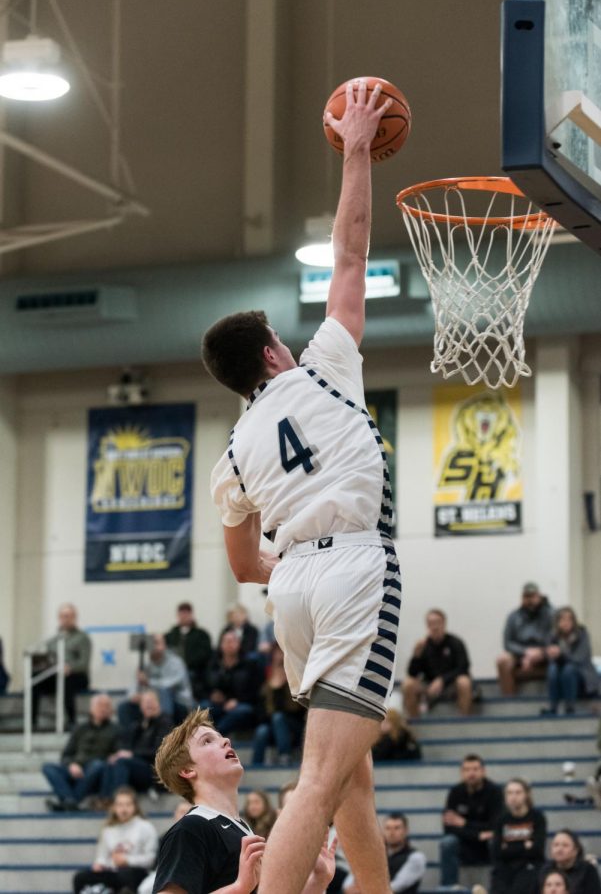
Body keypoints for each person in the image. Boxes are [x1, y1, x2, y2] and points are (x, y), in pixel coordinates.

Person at [204, 79, 400, 894]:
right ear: (277, 353)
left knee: (348, 773)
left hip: (293, 589)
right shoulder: (321, 368)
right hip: (355, 566)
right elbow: (350, 252)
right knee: (320, 780)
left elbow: (245, 566)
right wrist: (356, 147)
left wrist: (287, 558)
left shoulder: (234, 452)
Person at [152, 708, 336, 894]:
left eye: (221, 737)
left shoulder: (242, 829)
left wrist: (318, 881)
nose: (226, 741)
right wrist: (239, 887)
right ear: (187, 770)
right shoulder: (191, 828)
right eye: (207, 741)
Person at [72, 786, 158, 894]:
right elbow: (101, 857)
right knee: (80, 878)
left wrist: (127, 860)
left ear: (135, 806)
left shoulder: (146, 827)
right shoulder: (108, 830)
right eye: (120, 805)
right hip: (112, 873)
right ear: (114, 807)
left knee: (125, 875)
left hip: (136, 872)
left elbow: (150, 860)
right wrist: (99, 865)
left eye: (128, 804)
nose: (124, 809)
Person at [43, 692, 119, 812]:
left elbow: (116, 755)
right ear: (92, 708)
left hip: (95, 771)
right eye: (100, 705)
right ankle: (70, 801)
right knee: (47, 767)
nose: (103, 709)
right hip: (75, 769)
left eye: (107, 706)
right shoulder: (80, 728)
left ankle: (68, 802)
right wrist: (72, 764)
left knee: (97, 765)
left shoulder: (116, 730)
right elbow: (66, 755)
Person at [439, 753, 504, 887]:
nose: (471, 773)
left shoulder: (495, 792)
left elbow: (495, 825)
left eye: (475, 769)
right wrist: (477, 834)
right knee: (447, 842)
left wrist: (464, 823)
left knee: (495, 840)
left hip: (486, 845)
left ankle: (497, 886)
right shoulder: (455, 792)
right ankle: (448, 888)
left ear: (483, 771)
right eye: (467, 770)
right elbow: (448, 827)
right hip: (466, 843)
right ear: (461, 773)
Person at [98, 690, 172, 805]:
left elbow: (159, 751)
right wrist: (117, 755)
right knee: (112, 762)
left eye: (151, 701)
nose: (149, 705)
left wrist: (132, 754)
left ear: (159, 704)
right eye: (145, 703)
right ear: (141, 707)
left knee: (122, 762)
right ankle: (104, 800)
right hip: (137, 767)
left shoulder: (165, 722)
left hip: (154, 771)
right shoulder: (138, 726)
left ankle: (116, 802)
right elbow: (125, 746)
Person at [403, 609, 473, 717]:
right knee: (408, 684)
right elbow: (412, 673)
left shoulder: (455, 642)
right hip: (429, 685)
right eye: (431, 623)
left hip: (451, 685)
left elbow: (463, 667)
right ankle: (415, 724)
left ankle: (463, 722)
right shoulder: (423, 646)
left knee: (464, 682)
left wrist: (442, 680)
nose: (435, 627)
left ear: (444, 623)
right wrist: (416, 656)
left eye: (437, 622)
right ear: (427, 626)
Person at [32, 603, 91, 728]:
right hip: (56, 675)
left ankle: (71, 721)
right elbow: (48, 660)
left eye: (69, 616)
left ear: (74, 618)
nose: (66, 619)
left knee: (66, 681)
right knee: (35, 679)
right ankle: (32, 721)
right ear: (59, 618)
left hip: (76, 676)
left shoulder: (83, 638)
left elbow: (84, 663)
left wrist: (69, 667)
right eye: (63, 616)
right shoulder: (53, 640)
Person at [119, 633, 194, 726]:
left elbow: (169, 685)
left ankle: (164, 731)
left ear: (164, 645)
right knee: (123, 707)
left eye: (157, 643)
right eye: (151, 643)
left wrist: (148, 682)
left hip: (178, 701)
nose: (153, 646)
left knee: (163, 693)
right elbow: (134, 685)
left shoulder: (176, 662)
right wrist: (134, 695)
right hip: (153, 702)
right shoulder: (145, 665)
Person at [343, 812, 427, 894]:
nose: (392, 832)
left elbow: (397, 886)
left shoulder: (416, 857)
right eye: (388, 828)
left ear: (406, 831)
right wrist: (350, 888)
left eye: (397, 828)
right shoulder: (374, 856)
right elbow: (350, 881)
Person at [251, 642, 305, 765]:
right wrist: (273, 685)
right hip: (273, 724)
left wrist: (285, 684)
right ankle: (255, 766)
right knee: (261, 730)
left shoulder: (295, 676)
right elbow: (261, 710)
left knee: (278, 717)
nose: (279, 656)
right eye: (277, 652)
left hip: (294, 725)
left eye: (282, 652)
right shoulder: (266, 679)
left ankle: (284, 756)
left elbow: (299, 709)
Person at [490, 778, 547, 894]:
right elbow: (496, 852)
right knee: (498, 877)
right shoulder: (501, 820)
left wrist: (508, 847)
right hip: (505, 868)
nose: (513, 797)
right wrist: (525, 845)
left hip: (530, 867)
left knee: (525, 881)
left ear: (526, 795)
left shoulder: (537, 818)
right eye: (509, 793)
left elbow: (538, 850)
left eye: (518, 792)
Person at [496, 583, 554, 696]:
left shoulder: (551, 614)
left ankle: (556, 702)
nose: (530, 600)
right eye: (527, 597)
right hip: (520, 654)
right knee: (502, 660)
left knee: (557, 654)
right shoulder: (513, 616)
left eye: (533, 596)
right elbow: (507, 643)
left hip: (544, 653)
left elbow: (554, 638)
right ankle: (509, 702)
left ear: (539, 596)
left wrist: (540, 653)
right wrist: (525, 653)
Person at [202, 629, 263, 736]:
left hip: (242, 703)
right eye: (227, 641)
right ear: (221, 645)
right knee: (203, 707)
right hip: (218, 704)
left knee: (242, 711)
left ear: (239, 644)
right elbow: (203, 686)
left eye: (233, 641)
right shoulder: (213, 665)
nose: (230, 644)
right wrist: (212, 695)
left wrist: (237, 701)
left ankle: (216, 735)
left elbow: (256, 691)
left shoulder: (250, 665)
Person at [541, 607, 599, 714]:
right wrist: (548, 653)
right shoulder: (552, 636)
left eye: (569, 619)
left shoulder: (582, 634)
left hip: (582, 677)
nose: (566, 622)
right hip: (560, 676)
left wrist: (560, 653)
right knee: (552, 668)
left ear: (574, 621)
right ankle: (553, 707)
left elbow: (579, 657)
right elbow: (548, 655)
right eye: (562, 619)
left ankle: (570, 707)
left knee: (569, 669)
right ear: (557, 622)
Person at [138, 801, 191, 894]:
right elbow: (157, 864)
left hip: (189, 873)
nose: (184, 815)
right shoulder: (165, 836)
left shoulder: (198, 837)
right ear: (175, 814)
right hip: (165, 872)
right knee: (144, 889)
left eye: (187, 812)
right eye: (181, 811)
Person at [165, 603, 213, 700]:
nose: (184, 616)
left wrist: (186, 664)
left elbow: (205, 654)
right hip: (173, 671)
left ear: (191, 615)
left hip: (194, 670)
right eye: (181, 614)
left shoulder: (201, 635)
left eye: (186, 614)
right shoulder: (170, 635)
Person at [540, 830, 601, 894]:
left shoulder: (588, 870)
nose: (559, 849)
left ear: (576, 850)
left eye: (565, 845)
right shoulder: (545, 870)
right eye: (556, 845)